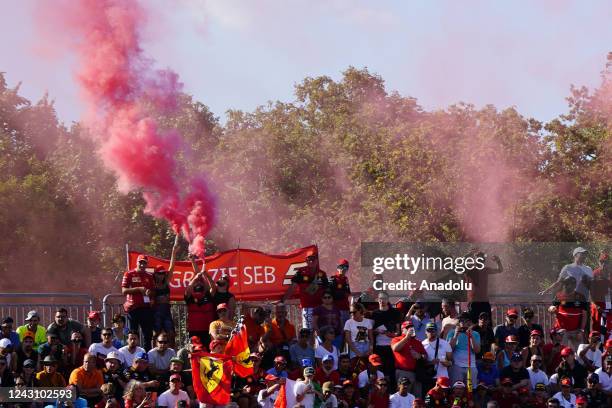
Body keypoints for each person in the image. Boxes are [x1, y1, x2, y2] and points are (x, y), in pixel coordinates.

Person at [282, 249, 329, 329]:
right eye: (309, 259)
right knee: (308, 333)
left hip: (320, 307)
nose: (311, 261)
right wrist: (282, 300)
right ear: (306, 261)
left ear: (317, 260)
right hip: (307, 307)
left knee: (322, 332)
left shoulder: (322, 274)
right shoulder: (301, 272)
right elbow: (292, 287)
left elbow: (327, 291)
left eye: (313, 259)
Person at [121, 254, 155, 351]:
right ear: (137, 262)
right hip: (133, 308)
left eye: (144, 263)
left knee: (147, 335)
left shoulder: (149, 276)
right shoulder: (129, 274)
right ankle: (132, 355)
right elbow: (124, 291)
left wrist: (150, 292)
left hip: (146, 308)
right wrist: (139, 289)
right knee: (133, 335)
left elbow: (153, 291)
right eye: (141, 262)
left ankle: (146, 357)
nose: (142, 264)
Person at [153, 235, 179, 349]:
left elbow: (172, 266)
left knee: (171, 334)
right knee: (156, 335)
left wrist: (174, 251)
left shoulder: (166, 282)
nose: (161, 275)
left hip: (166, 310)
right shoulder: (152, 284)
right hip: (157, 311)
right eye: (159, 273)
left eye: (163, 273)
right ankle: (153, 354)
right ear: (155, 274)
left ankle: (173, 353)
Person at [549, 276, 588, 350]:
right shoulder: (559, 295)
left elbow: (584, 315)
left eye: (568, 284)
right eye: (565, 284)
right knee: (561, 352)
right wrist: (551, 309)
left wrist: (581, 330)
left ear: (574, 285)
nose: (566, 286)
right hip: (562, 331)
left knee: (580, 353)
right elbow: (552, 307)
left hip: (576, 331)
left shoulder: (580, 297)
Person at [185, 256, 216, 347]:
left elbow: (213, 288)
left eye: (201, 282)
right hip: (194, 330)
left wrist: (207, 275)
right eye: (196, 282)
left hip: (207, 330)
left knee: (206, 352)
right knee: (194, 352)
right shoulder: (190, 297)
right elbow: (188, 289)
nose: (199, 283)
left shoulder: (208, 295)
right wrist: (195, 278)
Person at [464, 249, 503, 324]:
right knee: (474, 324)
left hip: (484, 302)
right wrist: (469, 254)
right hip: (474, 302)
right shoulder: (470, 270)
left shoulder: (485, 270)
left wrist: (498, 261)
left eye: (482, 259)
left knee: (487, 324)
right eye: (478, 259)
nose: (480, 261)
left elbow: (500, 270)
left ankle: (487, 335)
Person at [371, 291, 400, 385]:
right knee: (380, 369)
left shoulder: (395, 312)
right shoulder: (374, 314)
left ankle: (391, 390)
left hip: (392, 346)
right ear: (377, 300)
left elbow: (398, 331)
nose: (382, 301)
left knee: (391, 370)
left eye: (384, 298)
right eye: (380, 299)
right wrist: (377, 331)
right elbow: (370, 331)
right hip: (378, 346)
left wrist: (393, 335)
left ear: (388, 300)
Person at [392, 320, 427, 397]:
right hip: (403, 372)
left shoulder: (417, 342)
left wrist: (420, 356)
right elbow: (395, 348)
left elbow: (425, 356)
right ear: (402, 329)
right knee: (403, 396)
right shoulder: (397, 339)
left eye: (411, 327)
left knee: (416, 397)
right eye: (407, 328)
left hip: (416, 373)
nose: (410, 329)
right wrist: (406, 338)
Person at [447, 312, 480, 385]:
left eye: (466, 321)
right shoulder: (452, 332)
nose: (463, 323)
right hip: (457, 366)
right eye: (461, 320)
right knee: (456, 389)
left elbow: (477, 351)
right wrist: (455, 335)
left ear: (470, 322)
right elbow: (449, 350)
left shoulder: (475, 334)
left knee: (470, 390)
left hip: (471, 366)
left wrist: (471, 337)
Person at [421, 322, 453, 392]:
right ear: (425, 332)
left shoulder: (445, 343)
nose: (431, 332)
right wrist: (431, 363)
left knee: (444, 400)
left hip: (442, 377)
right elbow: (420, 363)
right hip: (428, 377)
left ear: (436, 331)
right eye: (429, 330)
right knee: (429, 400)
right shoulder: (422, 344)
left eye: (433, 330)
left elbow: (451, 361)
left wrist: (446, 363)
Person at [590, 251, 611, 337]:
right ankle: (597, 349)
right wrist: (596, 306)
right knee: (597, 330)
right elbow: (590, 293)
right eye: (602, 261)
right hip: (598, 305)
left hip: (609, 305)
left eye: (606, 262)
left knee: (609, 330)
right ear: (599, 262)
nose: (604, 264)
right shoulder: (594, 274)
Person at [330, 258, 352, 326]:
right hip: (337, 309)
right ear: (338, 268)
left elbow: (348, 293)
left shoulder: (346, 279)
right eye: (341, 267)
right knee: (339, 329)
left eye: (346, 267)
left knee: (346, 329)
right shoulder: (333, 279)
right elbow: (332, 295)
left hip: (345, 308)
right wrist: (342, 294)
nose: (343, 269)